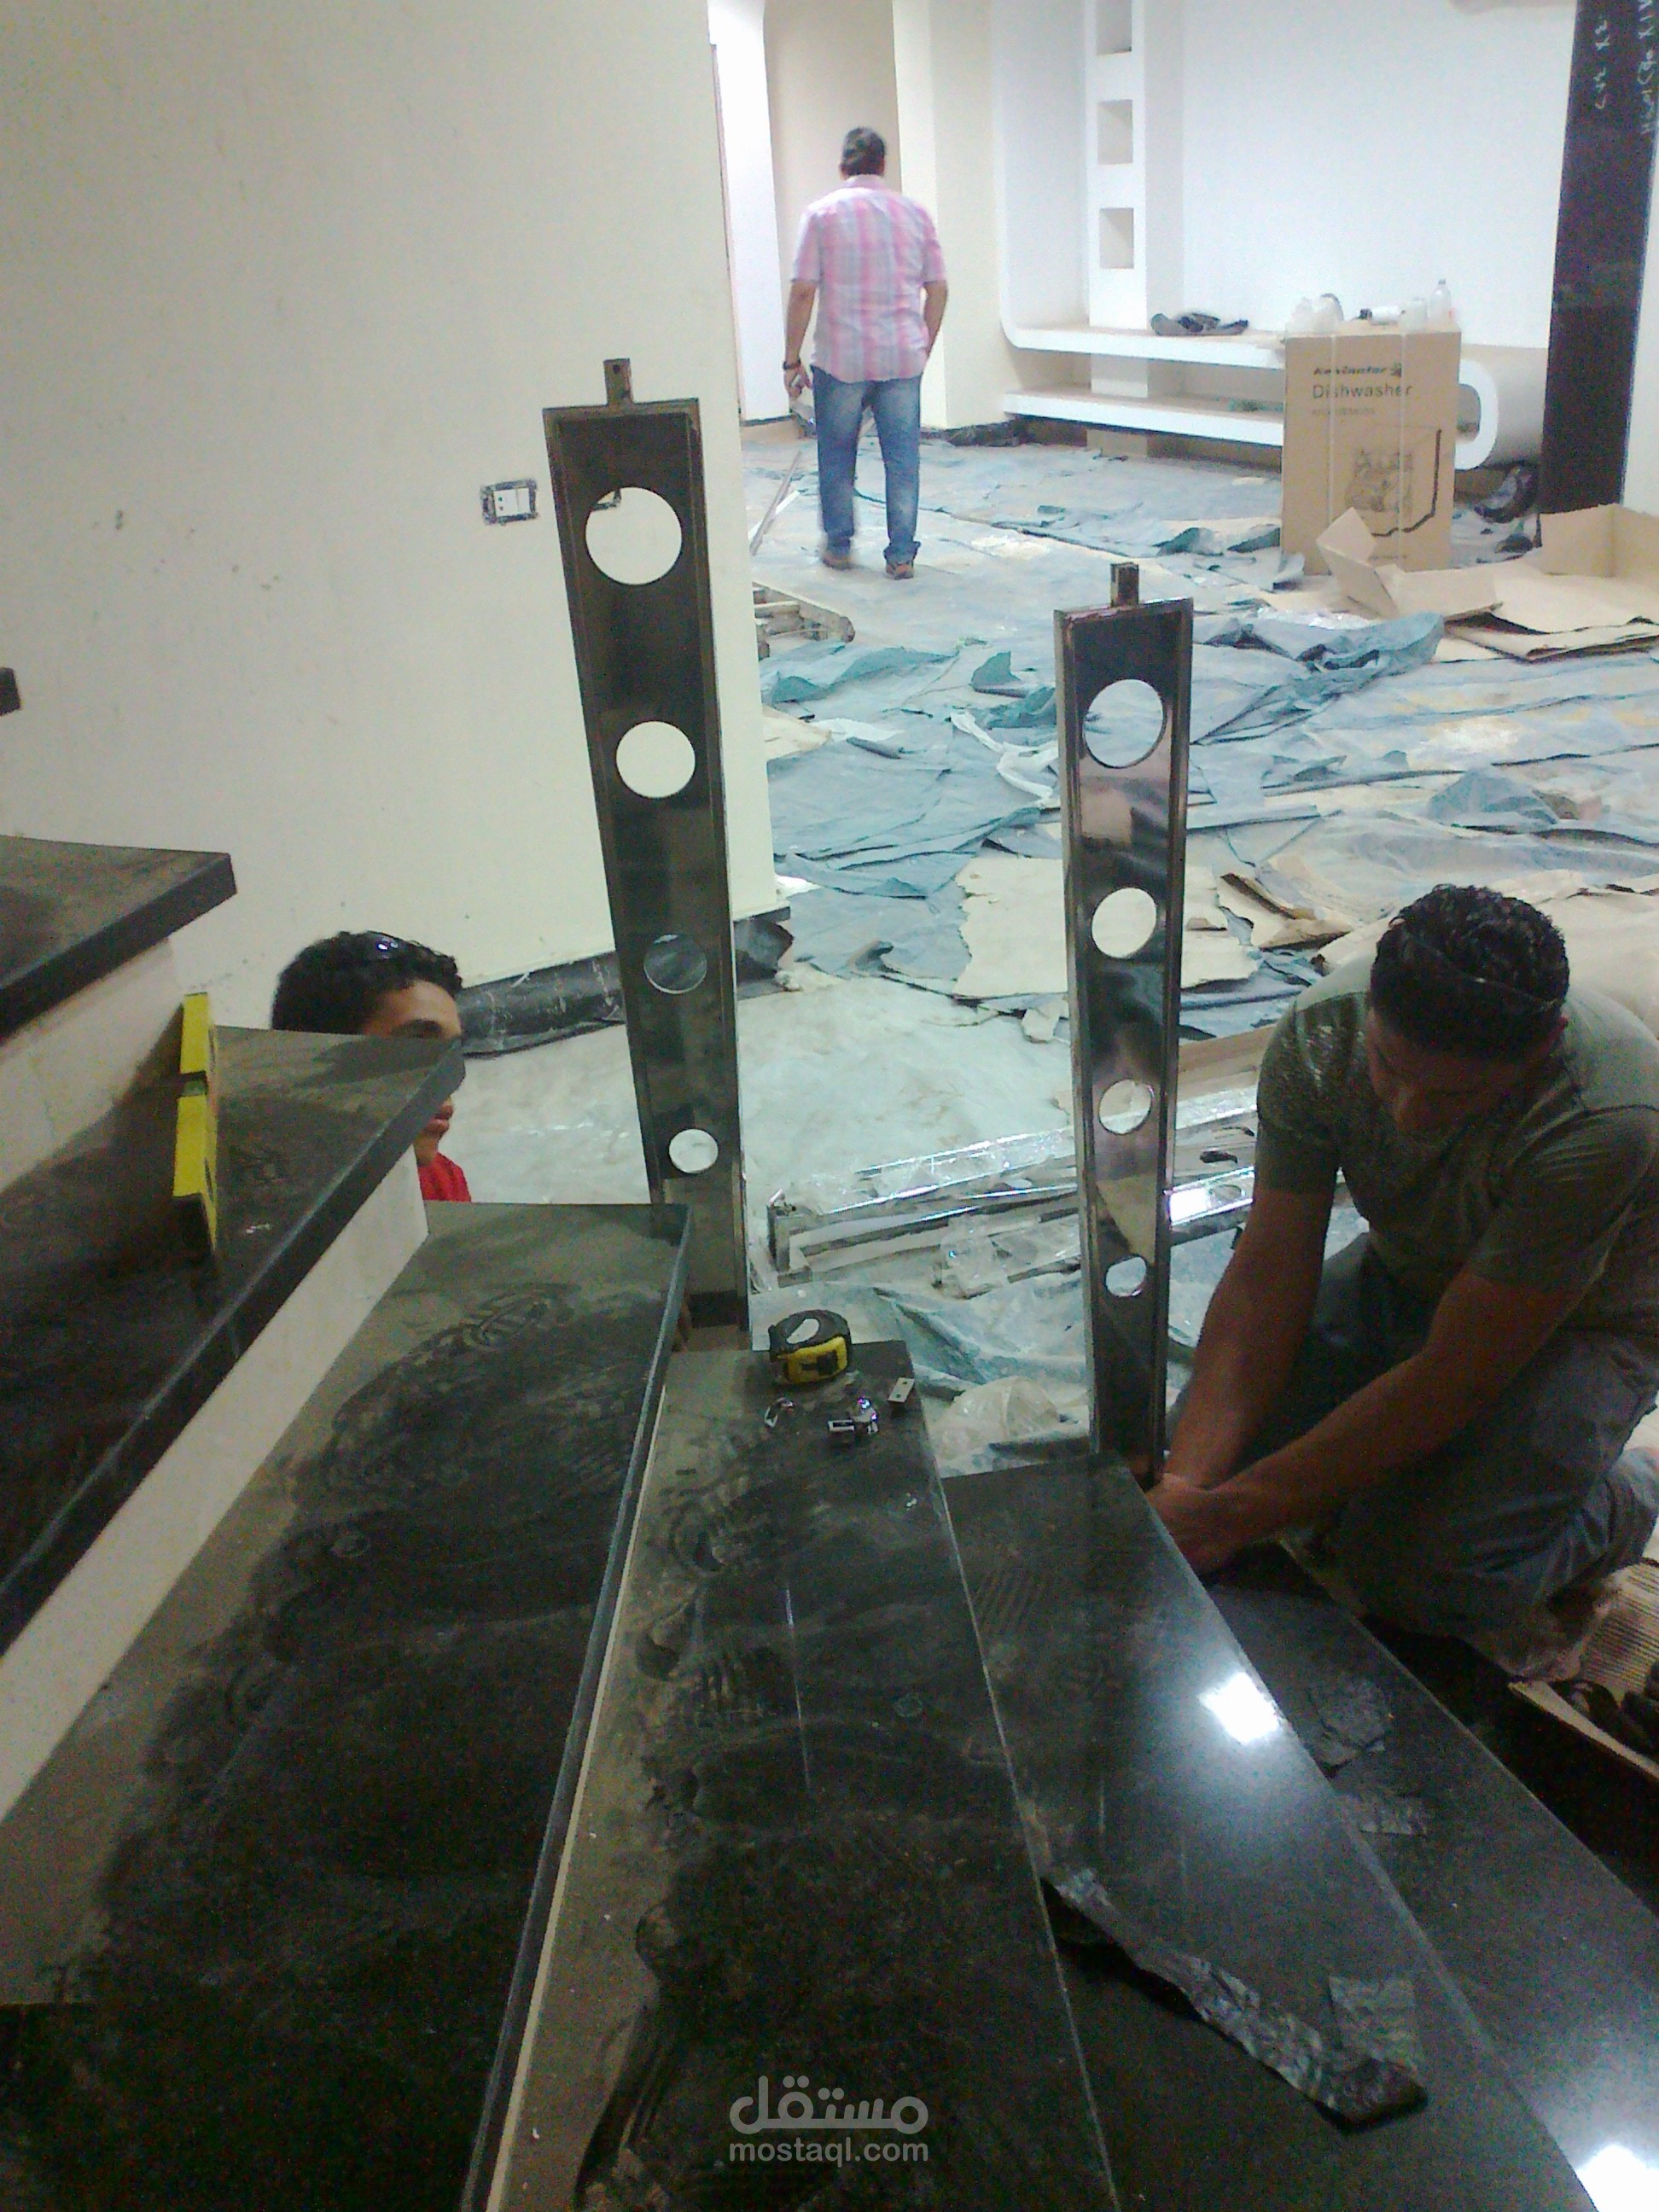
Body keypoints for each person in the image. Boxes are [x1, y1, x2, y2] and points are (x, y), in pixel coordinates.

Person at [1150, 884, 1659, 1668]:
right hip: (1409, 1269)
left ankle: (1626, 1498)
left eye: (1456, 1094)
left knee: (1419, 1578)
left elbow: (1461, 1374)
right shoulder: (1324, 1035)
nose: (1410, 1112)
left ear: (1544, 1045)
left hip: (1586, 1322)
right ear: (1371, 1017)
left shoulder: (1602, 1117)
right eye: (1389, 1068)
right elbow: (1267, 1278)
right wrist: (1189, 1492)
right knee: (1204, 1456)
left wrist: (1230, 1518)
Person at [783, 125, 948, 581]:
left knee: (837, 456)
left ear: (843, 167)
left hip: (842, 358)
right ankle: (901, 555)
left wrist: (791, 358)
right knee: (903, 460)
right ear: (882, 165)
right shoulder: (915, 215)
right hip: (901, 357)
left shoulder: (821, 215)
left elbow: (803, 291)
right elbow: (938, 288)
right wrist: (923, 345)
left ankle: (839, 546)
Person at [271, 931, 472, 1202]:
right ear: (319, 1060)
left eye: (452, 1055)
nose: (446, 1083)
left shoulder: (440, 1181)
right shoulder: (246, 1200)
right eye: (417, 1048)